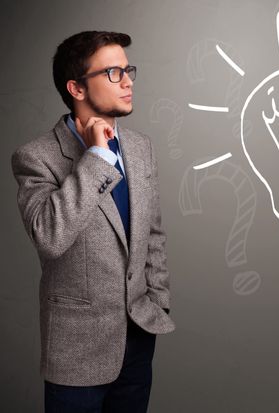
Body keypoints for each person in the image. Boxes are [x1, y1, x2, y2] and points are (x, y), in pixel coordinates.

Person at [10, 31, 175, 412]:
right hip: (77, 350)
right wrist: (97, 156)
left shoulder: (140, 147)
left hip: (138, 337)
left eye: (128, 69)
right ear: (77, 88)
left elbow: (153, 233)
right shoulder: (36, 157)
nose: (129, 80)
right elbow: (49, 236)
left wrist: (158, 301)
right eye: (114, 72)